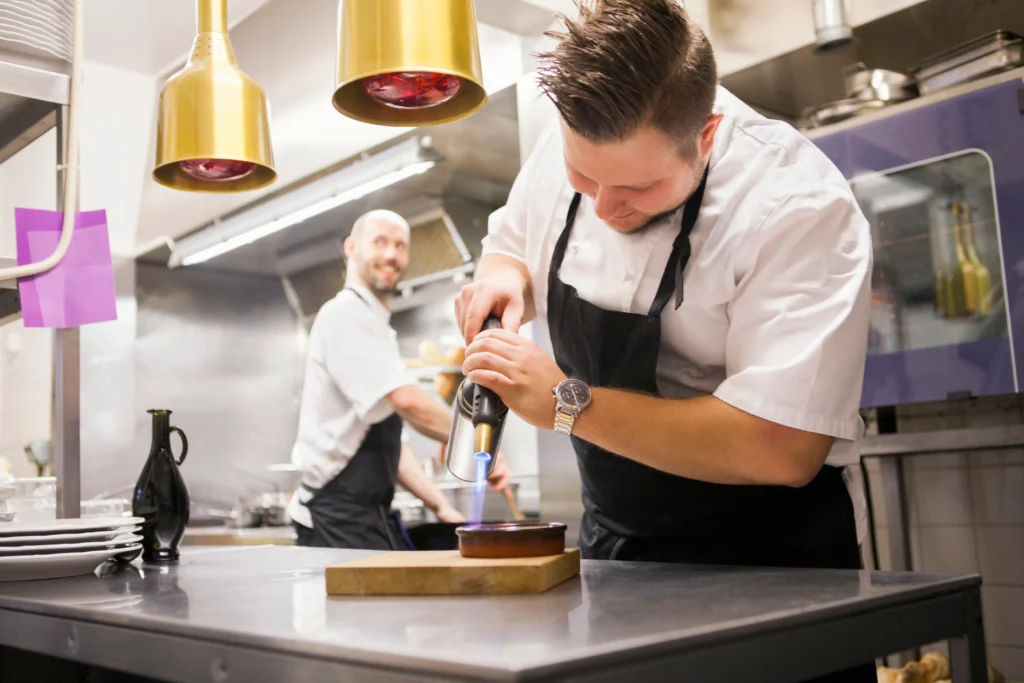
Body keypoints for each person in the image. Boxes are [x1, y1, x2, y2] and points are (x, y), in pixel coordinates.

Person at [456, 3, 873, 681]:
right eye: (583, 178)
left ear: (705, 135)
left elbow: (782, 445)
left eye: (638, 187)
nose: (603, 207)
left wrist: (565, 402)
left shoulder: (797, 206)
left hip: (768, 570)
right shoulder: (580, 147)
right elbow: (509, 243)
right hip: (616, 559)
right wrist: (502, 284)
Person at [288, 209, 509, 549]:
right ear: (351, 248)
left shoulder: (376, 328)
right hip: (334, 516)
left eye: (400, 245)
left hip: (366, 515)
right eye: (379, 243)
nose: (391, 255)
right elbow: (406, 400)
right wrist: (478, 442)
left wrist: (441, 506)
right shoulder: (345, 314)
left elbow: (391, 448)